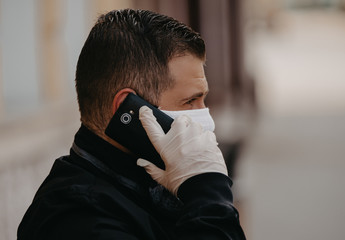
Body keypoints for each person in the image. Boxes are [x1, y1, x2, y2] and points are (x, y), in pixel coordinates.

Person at [17, 9, 246, 240]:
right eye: (189, 101)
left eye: (203, 99)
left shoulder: (157, 181)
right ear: (129, 111)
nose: (206, 119)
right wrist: (207, 191)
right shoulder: (79, 220)